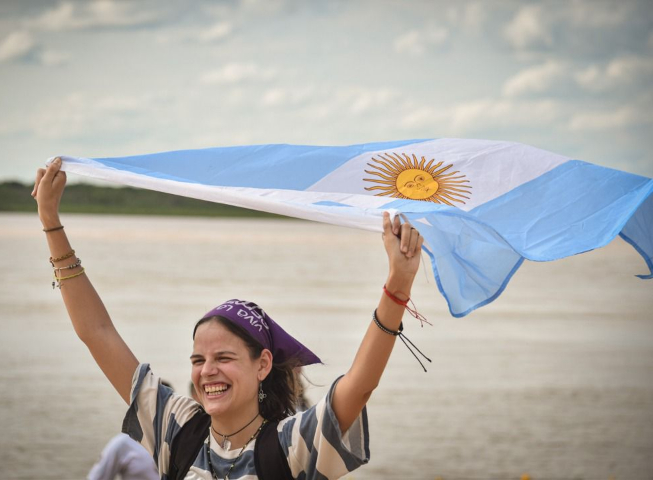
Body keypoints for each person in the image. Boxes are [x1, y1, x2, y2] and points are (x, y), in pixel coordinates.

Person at [32, 157, 425, 479]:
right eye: (198, 359)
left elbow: (360, 385)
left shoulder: (291, 445)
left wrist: (398, 284)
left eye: (223, 358)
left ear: (262, 364)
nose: (207, 372)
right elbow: (97, 333)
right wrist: (51, 222)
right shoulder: (177, 429)